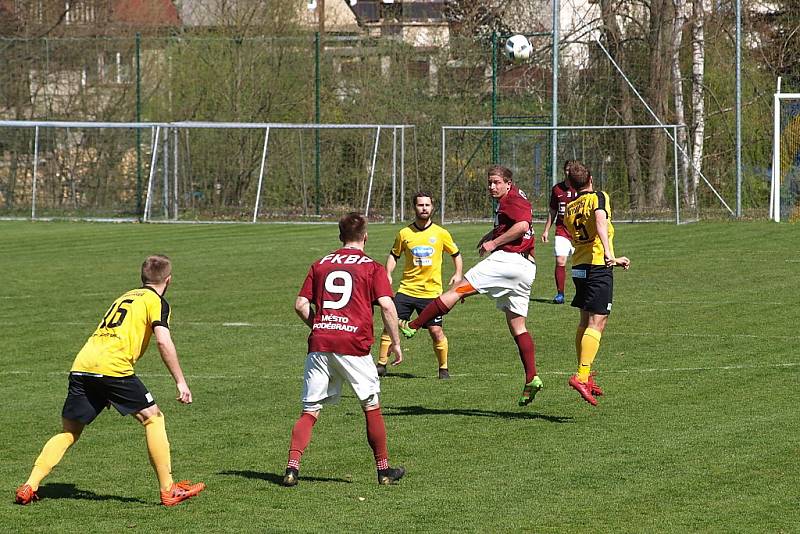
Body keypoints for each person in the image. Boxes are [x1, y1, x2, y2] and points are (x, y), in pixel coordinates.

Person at [15, 255, 205, 506]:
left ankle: (30, 484)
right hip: (113, 368)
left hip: (82, 366)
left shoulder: (125, 296)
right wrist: (180, 381)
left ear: (142, 277)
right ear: (168, 280)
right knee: (153, 418)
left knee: (69, 432)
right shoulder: (157, 302)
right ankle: (168, 489)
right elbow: (163, 340)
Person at [400, 165, 542, 406]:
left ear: (508, 183)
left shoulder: (511, 200)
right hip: (526, 269)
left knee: (457, 290)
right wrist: (490, 234)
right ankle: (532, 378)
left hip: (507, 262)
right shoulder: (515, 197)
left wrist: (493, 242)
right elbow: (513, 224)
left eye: (496, 182)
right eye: (489, 182)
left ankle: (414, 325)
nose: (491, 186)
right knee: (518, 325)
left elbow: (522, 227)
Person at [283, 212, 406, 487]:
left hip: (320, 342)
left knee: (310, 410)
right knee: (370, 405)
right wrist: (396, 343)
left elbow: (300, 305)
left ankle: (292, 467)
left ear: (340, 237)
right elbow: (387, 305)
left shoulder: (321, 264)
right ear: (365, 236)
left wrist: (320, 324)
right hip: (353, 346)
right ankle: (383, 470)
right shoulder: (372, 267)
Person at [562, 162, 630, 406]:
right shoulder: (598, 197)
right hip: (597, 265)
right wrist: (611, 255)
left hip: (579, 267)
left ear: (570, 185)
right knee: (598, 321)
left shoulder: (569, 207)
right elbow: (600, 222)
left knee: (584, 320)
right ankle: (581, 375)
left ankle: (586, 373)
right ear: (591, 178)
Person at [377, 191, 463, 379]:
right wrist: (388, 273)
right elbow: (394, 255)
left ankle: (443, 369)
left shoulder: (441, 233)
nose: (424, 208)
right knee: (389, 324)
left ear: (432, 207)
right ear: (414, 207)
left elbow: (456, 254)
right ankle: (381, 365)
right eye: (420, 205)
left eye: (427, 205)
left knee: (436, 331)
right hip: (406, 290)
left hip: (431, 293)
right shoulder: (404, 233)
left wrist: (458, 274)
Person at [540, 160, 578, 304]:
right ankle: (560, 294)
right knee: (560, 260)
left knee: (580, 263)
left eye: (573, 169)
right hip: (562, 230)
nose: (570, 172)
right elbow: (553, 211)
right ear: (564, 171)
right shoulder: (557, 189)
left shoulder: (580, 189)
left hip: (578, 232)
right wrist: (546, 231)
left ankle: (582, 292)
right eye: (568, 169)